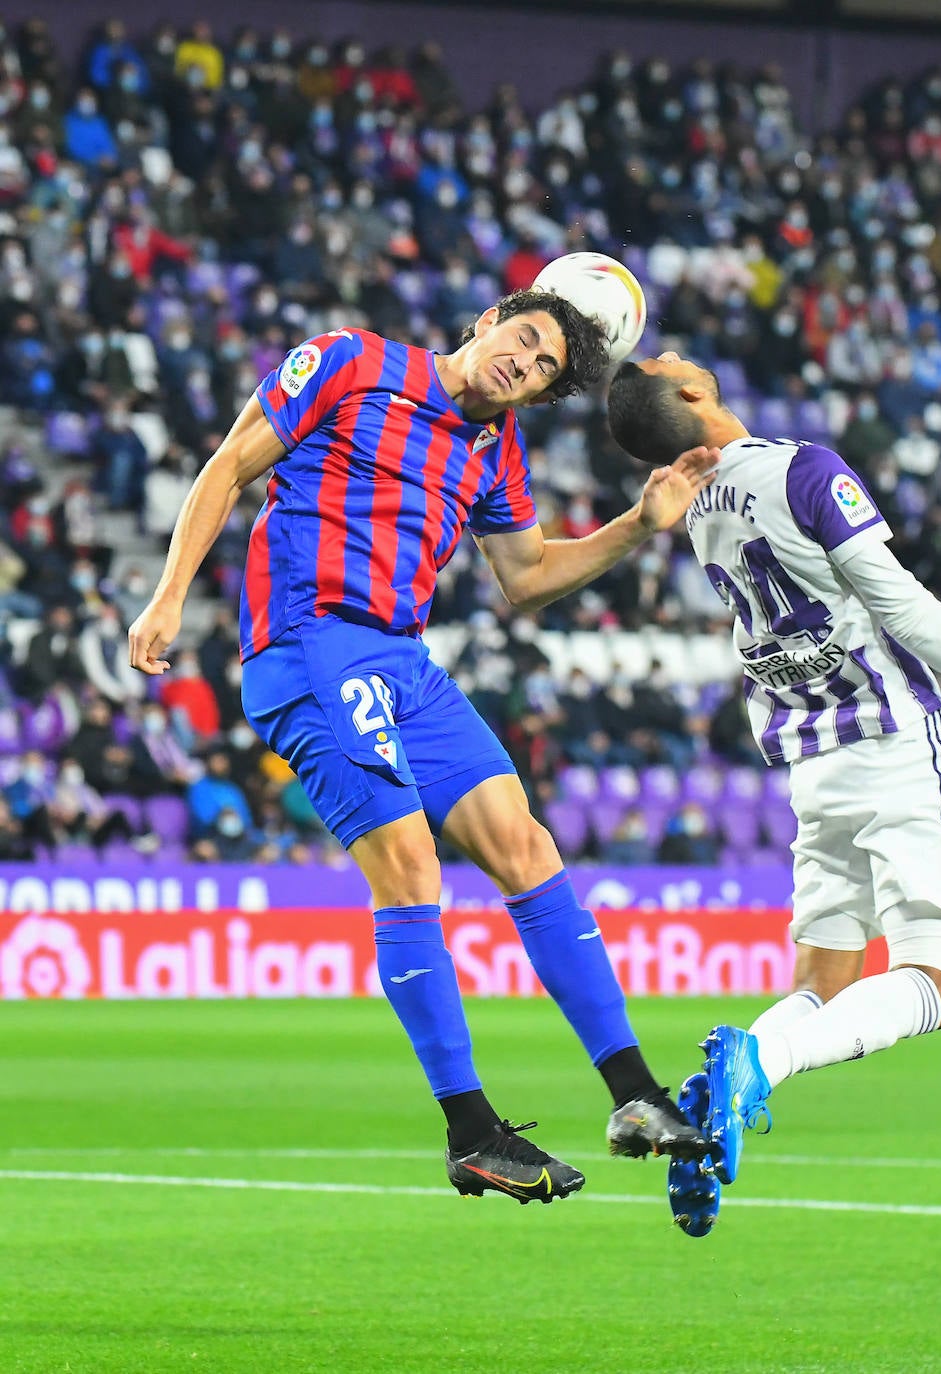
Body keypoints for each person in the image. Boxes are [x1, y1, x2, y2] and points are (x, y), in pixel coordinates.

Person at [128, 290, 713, 1206]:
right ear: (484, 321)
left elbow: (525, 576)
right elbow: (229, 465)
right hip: (308, 641)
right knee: (410, 864)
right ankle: (472, 1131)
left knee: (526, 847)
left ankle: (634, 1097)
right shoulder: (351, 360)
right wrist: (170, 595)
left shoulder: (494, 449)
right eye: (521, 338)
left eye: (543, 366)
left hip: (403, 660)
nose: (522, 362)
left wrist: (636, 526)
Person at [607, 351, 941, 1237]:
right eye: (669, 361)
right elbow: (887, 599)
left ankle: (713, 1125)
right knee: (936, 983)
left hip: (810, 766)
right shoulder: (801, 467)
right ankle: (760, 1057)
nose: (676, 351)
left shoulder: (696, 509)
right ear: (693, 395)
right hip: (896, 745)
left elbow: (832, 594)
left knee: (823, 979)